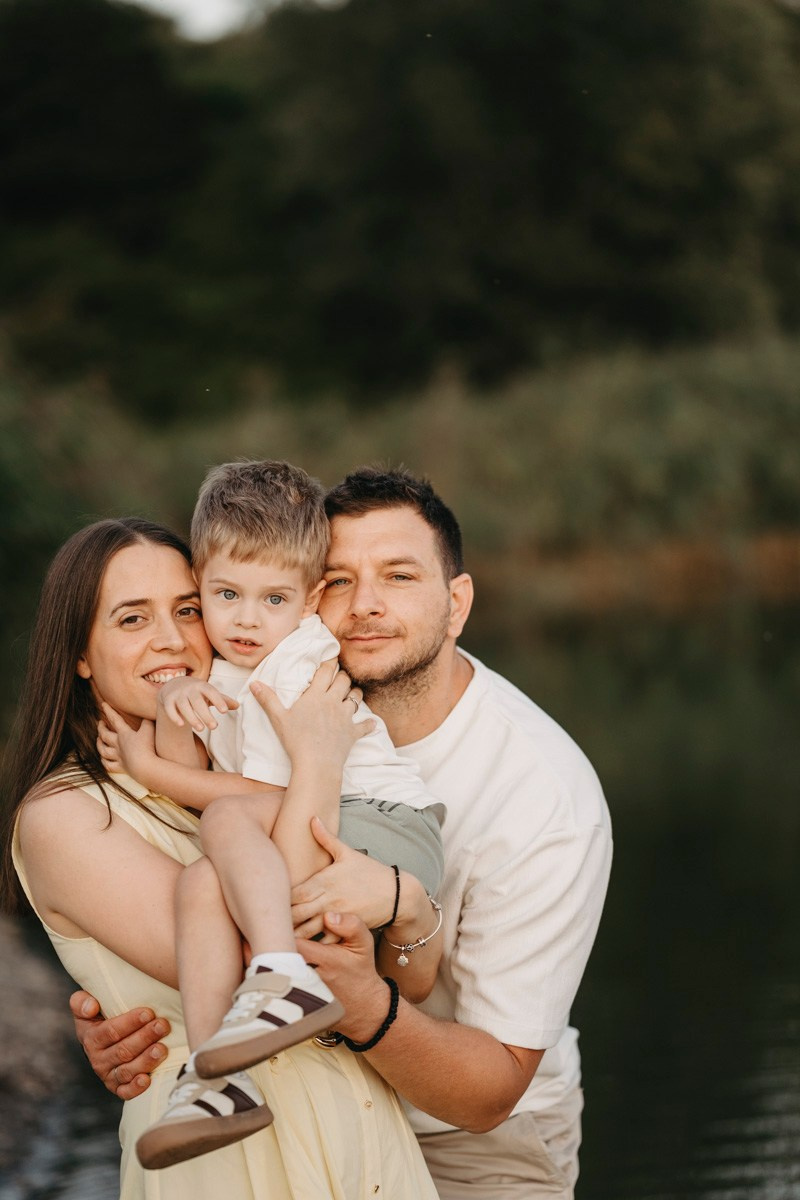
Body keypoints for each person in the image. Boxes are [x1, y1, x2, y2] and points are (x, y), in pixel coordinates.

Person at [72, 468, 613, 1199]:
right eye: (339, 580)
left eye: (398, 576)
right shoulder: (260, 670)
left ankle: (262, 1011)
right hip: (324, 1103)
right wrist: (128, 1016)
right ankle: (215, 1078)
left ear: (456, 604)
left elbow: (492, 1090)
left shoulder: (544, 797)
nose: (364, 605)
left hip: (468, 1139)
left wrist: (376, 964)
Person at [0, 516, 439, 1199]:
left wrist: (411, 912)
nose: (172, 639)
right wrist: (318, 762)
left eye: (186, 609)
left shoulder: (233, 756)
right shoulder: (64, 813)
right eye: (132, 618)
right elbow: (284, 952)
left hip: (361, 1137)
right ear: (80, 652)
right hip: (234, 1162)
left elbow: (398, 982)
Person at [99, 461, 445, 1168]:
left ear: (310, 601)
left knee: (223, 829)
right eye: (226, 595)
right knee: (201, 882)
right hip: (322, 824)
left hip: (385, 823)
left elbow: (260, 796)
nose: (247, 619)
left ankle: (281, 973)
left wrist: (150, 770)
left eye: (274, 599)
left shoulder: (296, 661)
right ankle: (214, 1082)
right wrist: (173, 703)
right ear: (201, 583)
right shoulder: (230, 667)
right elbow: (208, 779)